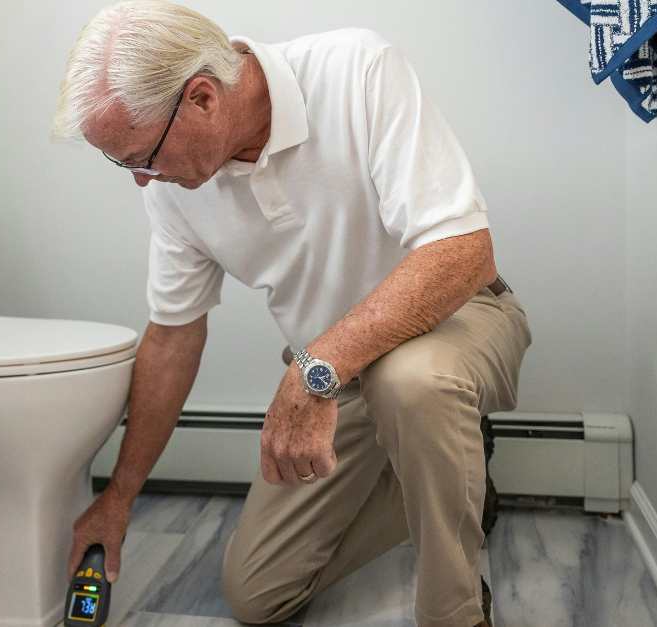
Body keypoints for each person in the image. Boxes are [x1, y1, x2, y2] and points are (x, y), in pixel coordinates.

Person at [51, 2, 531, 626]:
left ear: (201, 98)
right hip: (335, 372)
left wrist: (316, 367)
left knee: (409, 383)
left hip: (456, 319)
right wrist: (118, 496)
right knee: (258, 593)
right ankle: (454, 471)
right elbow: (173, 336)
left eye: (139, 157)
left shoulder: (356, 70)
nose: (140, 180)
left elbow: (463, 251)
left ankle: (456, 612)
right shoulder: (176, 189)